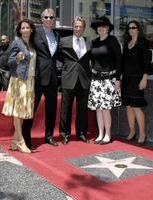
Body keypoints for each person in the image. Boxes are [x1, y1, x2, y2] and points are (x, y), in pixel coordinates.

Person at [22, 8, 61, 148]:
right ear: (41, 19)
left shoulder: (57, 35)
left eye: (51, 17)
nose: (49, 19)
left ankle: (49, 136)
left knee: (51, 109)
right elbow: (25, 46)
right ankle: (25, 139)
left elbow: (58, 56)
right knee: (31, 109)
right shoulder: (35, 33)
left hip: (52, 78)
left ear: (54, 19)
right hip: (37, 76)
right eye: (46, 17)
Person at [2, 18, 36, 153]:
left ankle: (15, 139)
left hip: (29, 81)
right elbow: (7, 61)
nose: (25, 30)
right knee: (17, 112)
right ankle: (21, 141)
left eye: (27, 27)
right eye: (23, 28)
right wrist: (17, 58)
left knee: (22, 112)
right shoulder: (17, 42)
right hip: (19, 81)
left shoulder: (32, 44)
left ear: (31, 29)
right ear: (20, 30)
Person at [88, 16, 122, 145]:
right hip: (96, 80)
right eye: (99, 26)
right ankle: (100, 134)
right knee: (98, 108)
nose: (101, 28)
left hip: (109, 79)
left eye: (104, 26)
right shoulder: (94, 42)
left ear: (108, 28)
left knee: (106, 108)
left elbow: (119, 61)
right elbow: (92, 60)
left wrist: (117, 79)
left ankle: (108, 134)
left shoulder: (113, 40)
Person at [59, 16, 91, 144]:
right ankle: (65, 134)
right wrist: (67, 68)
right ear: (73, 27)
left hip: (84, 79)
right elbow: (59, 57)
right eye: (76, 26)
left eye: (81, 27)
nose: (78, 29)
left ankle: (81, 134)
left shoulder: (89, 42)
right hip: (68, 78)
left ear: (84, 28)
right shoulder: (64, 41)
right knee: (65, 109)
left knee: (82, 109)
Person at [121, 20, 151, 145]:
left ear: (138, 29)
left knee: (136, 106)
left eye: (133, 27)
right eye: (129, 28)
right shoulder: (126, 44)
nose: (131, 30)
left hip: (138, 79)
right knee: (129, 106)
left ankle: (142, 133)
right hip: (127, 79)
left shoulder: (143, 43)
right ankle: (132, 132)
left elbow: (147, 62)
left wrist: (145, 78)